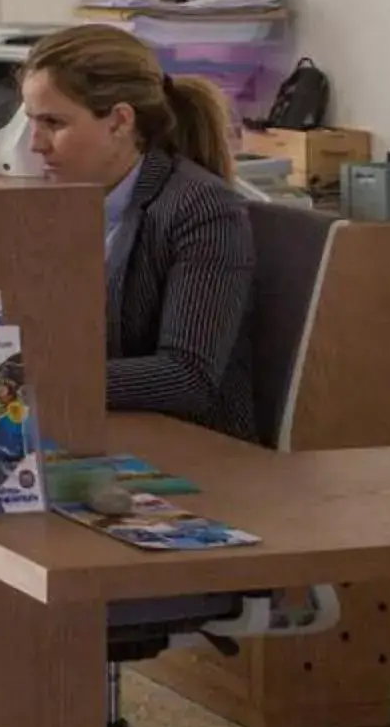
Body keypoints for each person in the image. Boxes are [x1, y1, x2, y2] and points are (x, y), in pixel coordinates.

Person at [16, 24, 256, 440]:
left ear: (119, 121)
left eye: (54, 123)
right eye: (32, 122)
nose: (36, 144)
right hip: (97, 425)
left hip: (195, 447)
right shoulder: (65, 199)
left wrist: (34, 380)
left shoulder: (201, 208)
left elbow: (188, 375)